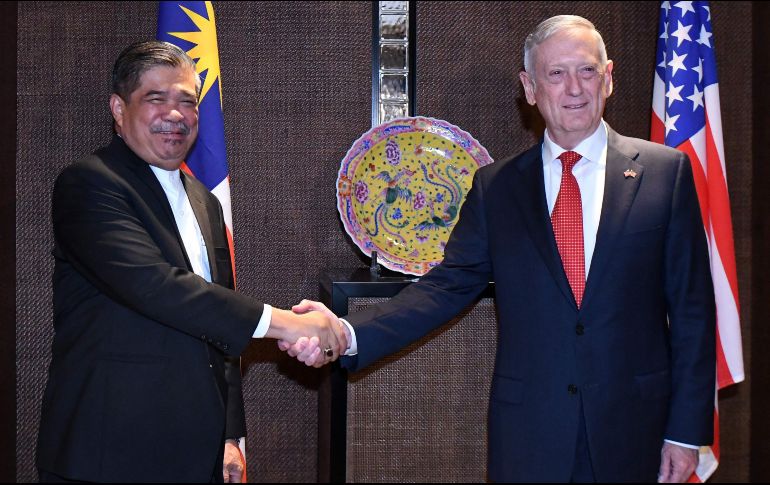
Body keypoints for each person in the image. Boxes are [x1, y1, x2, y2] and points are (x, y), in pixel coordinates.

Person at [284, 15, 716, 482]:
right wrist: (347, 332)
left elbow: (692, 313)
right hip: (530, 436)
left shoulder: (665, 174)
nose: (574, 88)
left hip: (635, 432)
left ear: (608, 78)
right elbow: (444, 288)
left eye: (587, 70)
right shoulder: (496, 188)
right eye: (556, 73)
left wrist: (685, 433)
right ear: (530, 88)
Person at [36, 41, 347, 483]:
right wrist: (284, 324)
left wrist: (230, 436)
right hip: (107, 451)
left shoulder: (205, 201)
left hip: (195, 451)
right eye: (156, 98)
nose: (175, 114)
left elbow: (218, 322)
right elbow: (156, 287)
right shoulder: (89, 184)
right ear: (119, 109)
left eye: (187, 101)